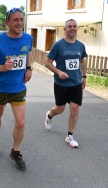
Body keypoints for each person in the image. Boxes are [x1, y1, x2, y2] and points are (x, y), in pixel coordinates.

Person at [0, 7, 33, 170]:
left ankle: (15, 151)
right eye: (15, 20)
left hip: (18, 88)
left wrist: (29, 68)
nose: (19, 23)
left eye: (21, 19)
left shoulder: (28, 38)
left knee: (20, 122)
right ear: (7, 23)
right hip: (0, 87)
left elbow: (28, 54)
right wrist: (3, 68)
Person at [44, 19, 87, 148]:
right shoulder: (58, 45)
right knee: (60, 109)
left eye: (74, 26)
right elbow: (48, 62)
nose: (72, 28)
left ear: (77, 28)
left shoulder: (80, 45)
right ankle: (49, 115)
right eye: (69, 26)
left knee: (75, 109)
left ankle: (70, 136)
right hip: (61, 84)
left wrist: (84, 76)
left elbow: (82, 61)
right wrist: (59, 72)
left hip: (75, 83)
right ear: (65, 29)